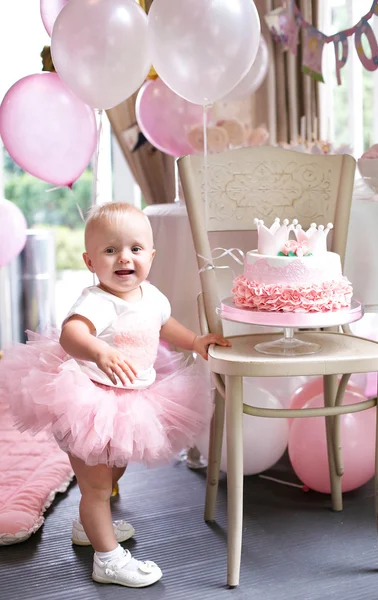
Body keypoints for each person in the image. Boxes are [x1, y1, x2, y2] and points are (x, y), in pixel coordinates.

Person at [0, 202, 231, 588]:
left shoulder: (151, 295)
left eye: (135, 249)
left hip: (131, 401)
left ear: (151, 256)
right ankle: (106, 560)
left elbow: (164, 324)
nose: (124, 258)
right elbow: (73, 332)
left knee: (113, 471)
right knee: (95, 485)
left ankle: (88, 526)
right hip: (89, 401)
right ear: (90, 261)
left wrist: (195, 340)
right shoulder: (97, 300)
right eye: (110, 251)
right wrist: (99, 350)